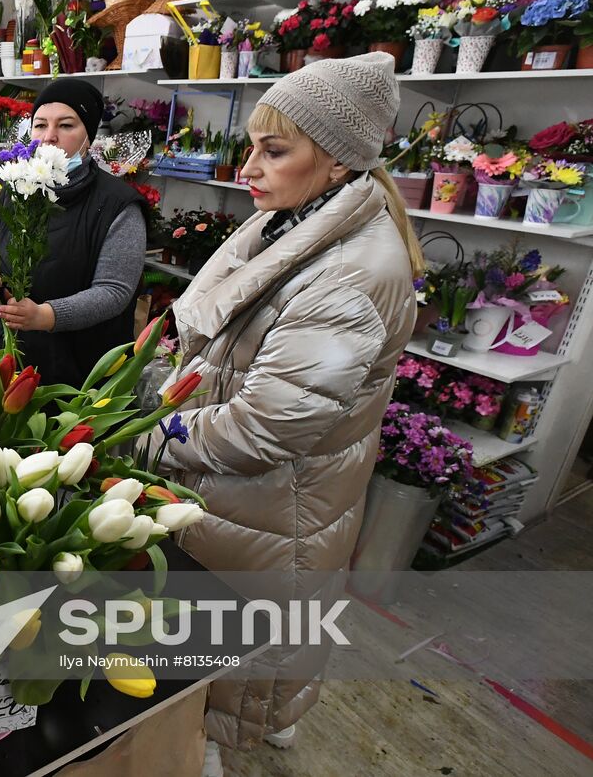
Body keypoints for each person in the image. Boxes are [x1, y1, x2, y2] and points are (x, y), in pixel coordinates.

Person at [152, 54, 424, 773]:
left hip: (277, 501)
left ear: (336, 161)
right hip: (250, 501)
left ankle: (213, 744)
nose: (250, 167)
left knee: (247, 645)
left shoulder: (351, 273)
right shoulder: (294, 225)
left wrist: (152, 438)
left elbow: (265, 425)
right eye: (252, 146)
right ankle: (256, 722)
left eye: (275, 150)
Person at [0, 77, 147, 386]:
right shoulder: (14, 189)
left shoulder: (117, 204)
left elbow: (114, 291)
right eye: (40, 125)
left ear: (89, 134)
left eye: (66, 126)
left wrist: (47, 316)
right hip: (2, 360)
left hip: (76, 373)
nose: (49, 138)